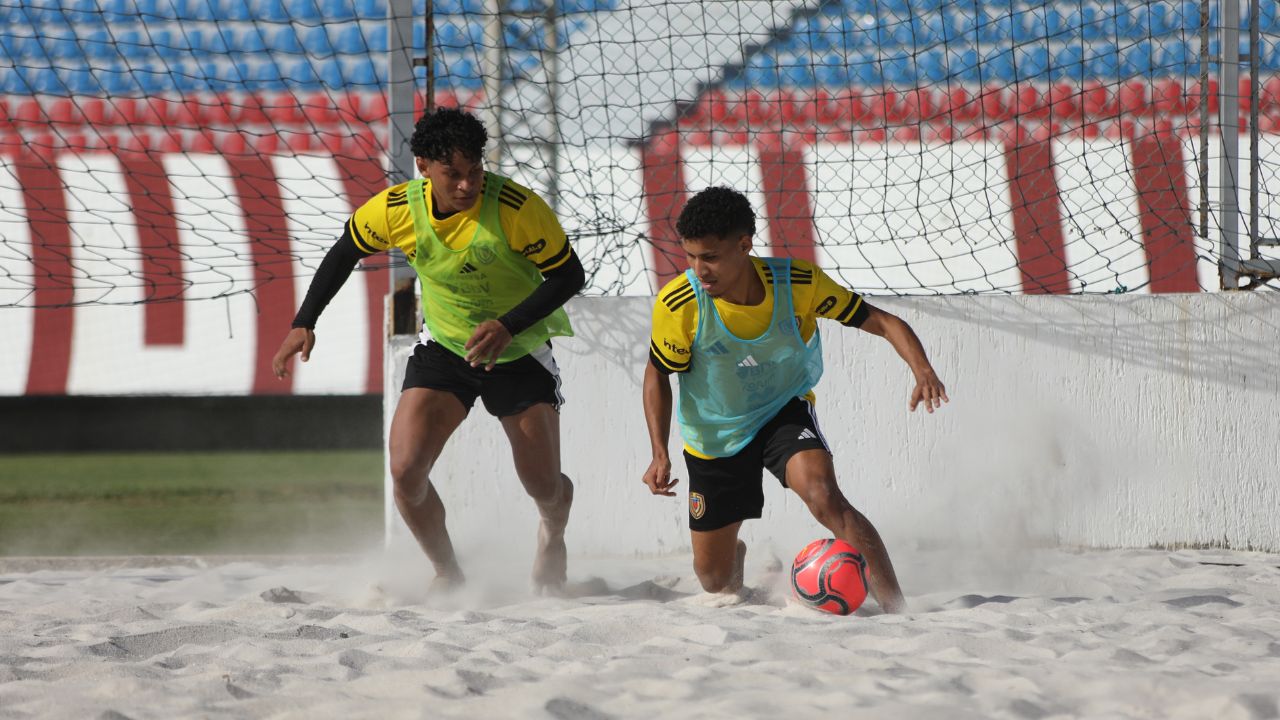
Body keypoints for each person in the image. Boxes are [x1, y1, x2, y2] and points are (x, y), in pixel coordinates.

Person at [272, 108, 583, 595]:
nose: (466, 185)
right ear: (423, 166)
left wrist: (507, 325)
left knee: (544, 485)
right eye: (452, 174)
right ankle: (447, 573)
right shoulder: (396, 208)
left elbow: (569, 276)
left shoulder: (517, 209)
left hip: (518, 351)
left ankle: (553, 534)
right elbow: (344, 252)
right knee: (406, 470)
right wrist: (303, 321)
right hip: (444, 348)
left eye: (475, 171)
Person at [641, 186, 948, 614]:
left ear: (745, 245)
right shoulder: (680, 304)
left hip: (781, 409)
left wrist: (922, 369)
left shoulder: (797, 283)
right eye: (690, 256)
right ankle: (733, 556)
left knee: (825, 495)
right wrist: (659, 452)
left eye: (709, 257)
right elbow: (657, 372)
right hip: (715, 431)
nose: (698, 269)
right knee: (714, 581)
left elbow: (881, 320)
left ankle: (898, 608)